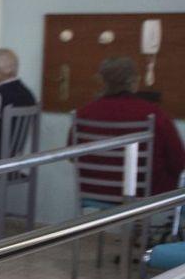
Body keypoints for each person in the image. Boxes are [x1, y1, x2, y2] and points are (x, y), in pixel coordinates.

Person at [76, 56, 185, 196]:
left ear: (102, 81)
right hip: (145, 198)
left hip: (94, 194)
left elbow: (73, 156)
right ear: (134, 82)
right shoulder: (153, 114)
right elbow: (179, 162)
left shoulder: (84, 113)